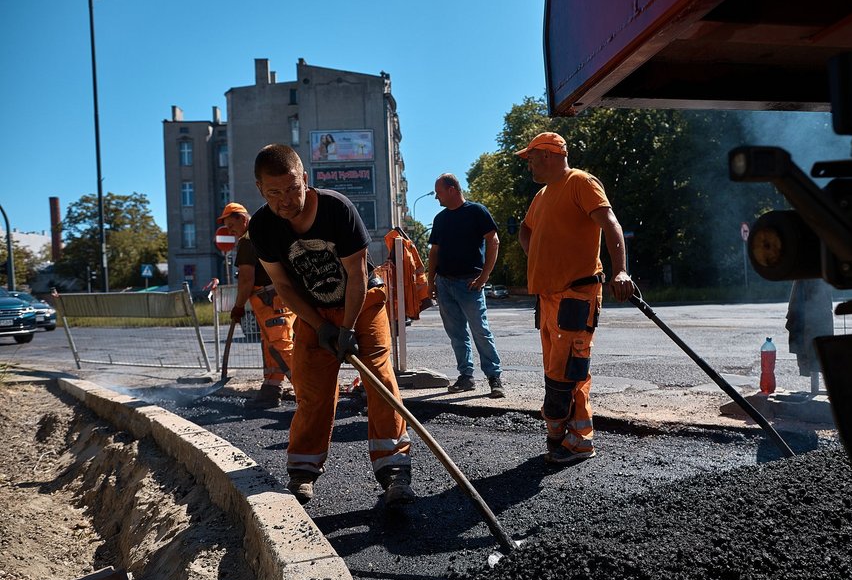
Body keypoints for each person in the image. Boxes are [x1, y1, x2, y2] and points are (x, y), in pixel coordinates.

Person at [247, 143, 415, 507]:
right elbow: (286, 287)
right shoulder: (261, 226)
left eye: (292, 188)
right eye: (274, 192)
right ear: (260, 189)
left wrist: (348, 328)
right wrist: (321, 327)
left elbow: (356, 276)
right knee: (312, 390)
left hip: (362, 305)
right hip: (313, 313)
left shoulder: (337, 209)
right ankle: (303, 472)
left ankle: (395, 470)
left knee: (380, 380)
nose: (285, 200)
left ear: (305, 179)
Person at [516, 132, 635, 465]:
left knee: (568, 368)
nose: (528, 165)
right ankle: (566, 433)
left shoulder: (580, 182)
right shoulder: (541, 196)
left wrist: (620, 271)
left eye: (531, 158)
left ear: (550, 155)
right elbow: (524, 230)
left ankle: (575, 439)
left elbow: (610, 223)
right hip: (548, 295)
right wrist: (538, 254)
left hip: (577, 293)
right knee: (561, 368)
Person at [427, 173, 506, 398]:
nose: (436, 197)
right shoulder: (440, 219)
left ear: (452, 190)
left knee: (480, 330)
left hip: (470, 284)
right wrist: (430, 282)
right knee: (456, 334)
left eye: (438, 192)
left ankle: (494, 377)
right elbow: (434, 252)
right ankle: (466, 377)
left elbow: (494, 241)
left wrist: (484, 277)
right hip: (444, 283)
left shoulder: (476, 211)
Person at [219, 202, 295, 409]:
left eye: (231, 226)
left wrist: (238, 306)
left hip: (270, 299)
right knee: (271, 345)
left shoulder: (248, 240)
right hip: (274, 298)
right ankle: (271, 389)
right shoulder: (264, 233)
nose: (230, 231)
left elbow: (246, 279)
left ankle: (311, 393)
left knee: (280, 345)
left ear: (243, 219)